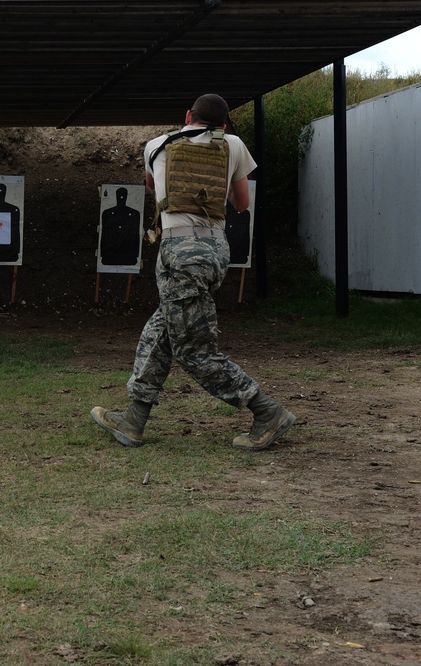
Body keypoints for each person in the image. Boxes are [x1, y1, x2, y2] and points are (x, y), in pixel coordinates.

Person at [91, 93, 295, 451]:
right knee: (162, 329)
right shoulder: (232, 145)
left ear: (188, 116)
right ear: (224, 125)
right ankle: (134, 419)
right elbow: (242, 204)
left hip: (179, 251)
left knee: (194, 349)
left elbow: (153, 186)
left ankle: (267, 411)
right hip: (215, 250)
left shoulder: (156, 145)